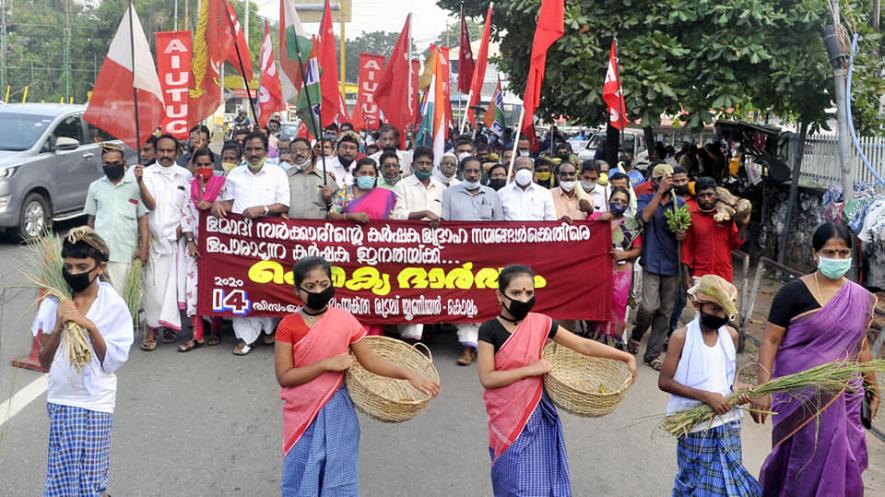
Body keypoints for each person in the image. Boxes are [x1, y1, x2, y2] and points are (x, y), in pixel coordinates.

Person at [276, 257, 439, 496]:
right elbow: (285, 376)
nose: (319, 290)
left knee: (338, 475)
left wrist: (408, 374)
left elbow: (371, 361)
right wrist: (325, 364)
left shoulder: (344, 320)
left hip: (337, 409)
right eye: (310, 287)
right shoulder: (288, 325)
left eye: (324, 283)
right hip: (302, 413)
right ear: (297, 291)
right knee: (301, 472)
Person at [478, 265, 636, 496]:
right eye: (516, 293)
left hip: (537, 418)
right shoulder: (489, 330)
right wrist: (532, 369)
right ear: (500, 295)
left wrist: (625, 356)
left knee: (541, 483)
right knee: (514, 485)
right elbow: (487, 378)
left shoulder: (541, 323)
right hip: (507, 422)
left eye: (529, 293)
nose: (524, 298)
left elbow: (582, 345)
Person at [751, 223, 879, 496]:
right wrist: (762, 389)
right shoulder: (793, 293)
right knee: (803, 461)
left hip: (845, 395)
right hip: (802, 395)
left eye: (843, 252)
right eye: (829, 252)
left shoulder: (858, 297)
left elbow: (862, 345)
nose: (836, 259)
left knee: (843, 462)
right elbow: (770, 340)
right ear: (814, 254)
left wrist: (873, 387)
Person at [33, 227, 134, 497]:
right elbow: (44, 362)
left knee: (90, 481)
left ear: (100, 268)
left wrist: (89, 326)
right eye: (68, 266)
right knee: (61, 481)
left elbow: (111, 362)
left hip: (95, 401)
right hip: (61, 399)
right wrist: (58, 326)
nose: (74, 273)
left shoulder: (112, 304)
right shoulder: (55, 300)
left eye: (82, 266)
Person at [658, 275, 761, 497]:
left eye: (723, 311)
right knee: (693, 483)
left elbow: (728, 379)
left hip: (727, 422)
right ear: (698, 304)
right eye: (713, 309)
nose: (719, 316)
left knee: (728, 483)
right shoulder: (681, 337)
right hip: (695, 426)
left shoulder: (731, 336)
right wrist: (706, 396)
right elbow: (665, 382)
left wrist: (740, 391)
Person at [213, 132, 290, 355]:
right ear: (243, 152)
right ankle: (245, 336)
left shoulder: (277, 174)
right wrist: (219, 205)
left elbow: (283, 205)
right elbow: (228, 203)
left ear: (266, 151)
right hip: (240, 244)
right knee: (243, 285)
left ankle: (268, 327)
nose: (253, 154)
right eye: (249, 150)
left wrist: (262, 210)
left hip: (269, 241)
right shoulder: (235, 174)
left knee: (265, 285)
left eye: (258, 149)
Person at [441, 156, 503, 365]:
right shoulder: (449, 194)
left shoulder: (492, 194)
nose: (473, 174)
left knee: (486, 299)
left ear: (481, 173)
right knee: (465, 299)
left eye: (476, 171)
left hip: (488, 257)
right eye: (468, 171)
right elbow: (445, 226)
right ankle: (467, 346)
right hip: (460, 257)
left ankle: (484, 345)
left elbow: (500, 227)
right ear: (461, 172)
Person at [628, 164, 685, 369]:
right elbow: (644, 217)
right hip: (652, 260)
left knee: (665, 311)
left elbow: (685, 230)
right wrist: (659, 193)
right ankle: (637, 333)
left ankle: (652, 355)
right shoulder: (645, 199)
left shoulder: (679, 203)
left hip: (672, 263)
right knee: (648, 307)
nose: (666, 182)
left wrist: (682, 234)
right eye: (662, 179)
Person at [139, 134, 192, 350]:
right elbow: (147, 207)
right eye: (161, 151)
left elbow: (189, 206)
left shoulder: (185, 175)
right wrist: (138, 181)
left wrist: (184, 227)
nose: (166, 155)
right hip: (153, 239)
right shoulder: (147, 174)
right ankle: (151, 330)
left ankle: (170, 327)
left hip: (177, 240)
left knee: (174, 288)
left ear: (177, 152)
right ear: (155, 151)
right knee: (153, 288)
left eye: (170, 151)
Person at [178, 149, 226, 352]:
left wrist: (214, 204)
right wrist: (190, 240)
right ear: (194, 165)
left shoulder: (223, 185)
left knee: (217, 286)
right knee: (193, 288)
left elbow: (229, 211)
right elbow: (186, 214)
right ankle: (197, 334)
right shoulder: (189, 188)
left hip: (219, 245)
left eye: (207, 164)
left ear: (213, 165)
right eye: (199, 164)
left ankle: (216, 330)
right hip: (195, 244)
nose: (203, 168)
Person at [85, 143, 149, 295]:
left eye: (115, 163)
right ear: (102, 164)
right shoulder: (95, 187)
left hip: (125, 253)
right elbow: (91, 221)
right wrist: (89, 249)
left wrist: (144, 247)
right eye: (107, 163)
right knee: (102, 299)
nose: (111, 166)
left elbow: (143, 219)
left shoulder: (135, 185)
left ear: (124, 163)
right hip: (101, 253)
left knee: (124, 299)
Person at [589, 187, 642, 348]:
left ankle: (612, 342)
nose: (619, 203)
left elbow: (638, 249)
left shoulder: (632, 224)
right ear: (609, 200)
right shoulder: (596, 216)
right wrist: (600, 222)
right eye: (616, 199)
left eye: (624, 201)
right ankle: (594, 340)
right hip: (597, 268)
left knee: (617, 304)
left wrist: (623, 255)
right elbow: (584, 236)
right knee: (596, 303)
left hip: (621, 271)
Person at [329, 158, 400, 222]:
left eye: (371, 174)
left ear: (376, 176)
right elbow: (330, 216)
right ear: (355, 174)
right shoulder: (345, 192)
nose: (367, 176)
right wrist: (349, 216)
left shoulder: (385, 195)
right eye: (363, 173)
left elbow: (394, 218)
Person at [286, 138, 336, 220]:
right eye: (294, 151)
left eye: (302, 149)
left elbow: (337, 209)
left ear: (310, 152)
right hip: (291, 227)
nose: (298, 153)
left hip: (317, 228)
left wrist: (329, 200)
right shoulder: (285, 177)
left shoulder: (326, 177)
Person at [392, 146, 444, 223]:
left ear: (433, 166)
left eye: (428, 163)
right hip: (411, 232)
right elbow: (397, 214)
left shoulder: (441, 188)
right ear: (412, 165)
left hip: (436, 233)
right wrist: (424, 213)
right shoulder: (401, 186)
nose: (425, 166)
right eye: (421, 163)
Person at [498, 157, 556, 221]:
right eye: (520, 169)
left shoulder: (545, 193)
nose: (524, 171)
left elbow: (551, 220)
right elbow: (498, 221)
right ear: (514, 170)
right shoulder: (501, 193)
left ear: (533, 170)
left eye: (528, 169)